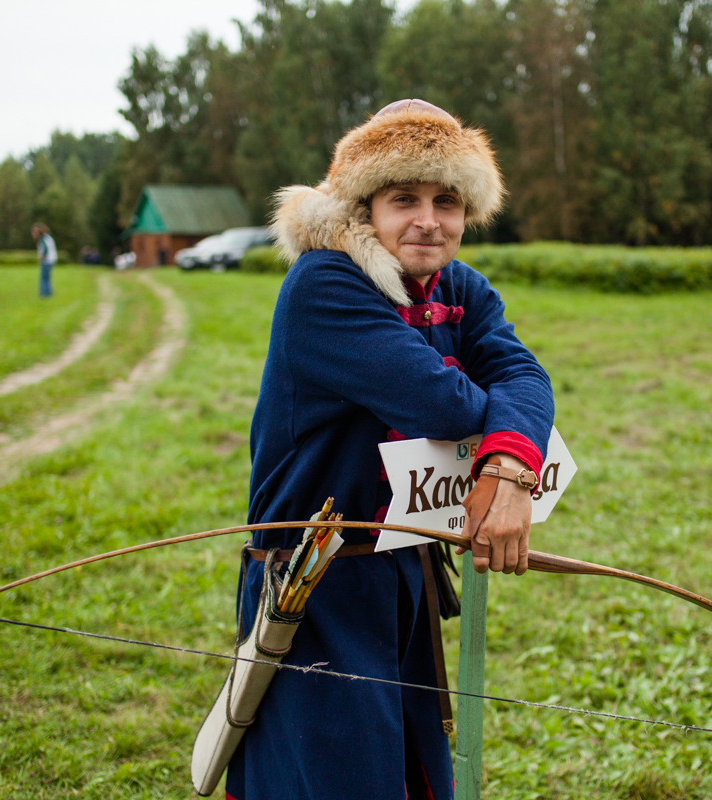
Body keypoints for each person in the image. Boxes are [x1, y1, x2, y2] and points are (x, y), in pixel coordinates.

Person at [227, 99, 555, 800]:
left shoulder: (460, 287)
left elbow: (525, 375)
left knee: (405, 774)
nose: (429, 220)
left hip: (402, 573)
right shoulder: (323, 283)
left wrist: (508, 467)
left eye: (447, 200)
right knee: (330, 778)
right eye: (405, 198)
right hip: (313, 585)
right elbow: (442, 403)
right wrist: (492, 406)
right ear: (363, 207)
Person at [31, 222, 56, 297]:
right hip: (51, 260)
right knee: (47, 278)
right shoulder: (47, 237)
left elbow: (45, 249)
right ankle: (49, 293)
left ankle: (43, 294)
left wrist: (41, 258)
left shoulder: (43, 239)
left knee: (43, 278)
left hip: (47, 261)